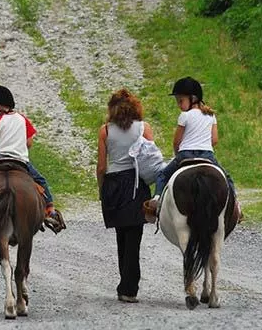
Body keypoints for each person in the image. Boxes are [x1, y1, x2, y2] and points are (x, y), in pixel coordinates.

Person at [149, 77, 240, 219]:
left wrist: (177, 156)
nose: (179, 104)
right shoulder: (211, 116)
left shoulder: (184, 116)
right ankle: (235, 206)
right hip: (207, 155)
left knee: (162, 175)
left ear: (193, 98)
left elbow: (176, 142)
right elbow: (214, 140)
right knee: (227, 178)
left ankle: (156, 199)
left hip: (185, 154)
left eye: (181, 100)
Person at [96, 88, 153, 303]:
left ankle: (125, 285)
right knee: (134, 238)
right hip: (136, 183)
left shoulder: (105, 131)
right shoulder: (144, 128)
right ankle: (130, 287)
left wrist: (102, 189)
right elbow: (151, 158)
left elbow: (102, 167)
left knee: (121, 236)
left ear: (112, 109)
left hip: (115, 183)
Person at [0, 84, 59, 220]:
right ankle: (50, 209)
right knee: (41, 180)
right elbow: (29, 143)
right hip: (20, 161)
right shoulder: (23, 119)